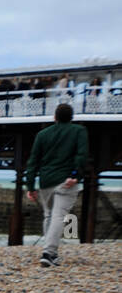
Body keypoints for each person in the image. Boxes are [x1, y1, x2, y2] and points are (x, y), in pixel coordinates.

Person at [24, 102, 89, 267]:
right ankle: (49, 253)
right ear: (72, 118)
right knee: (59, 216)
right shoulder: (79, 131)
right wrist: (76, 175)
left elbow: (33, 161)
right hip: (66, 181)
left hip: (46, 181)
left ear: (55, 117)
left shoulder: (42, 134)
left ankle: (49, 252)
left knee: (49, 215)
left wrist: (30, 186)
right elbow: (82, 155)